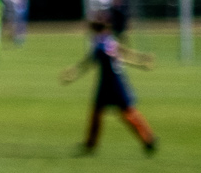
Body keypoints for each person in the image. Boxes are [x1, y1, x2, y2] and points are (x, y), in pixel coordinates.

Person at [60, 18, 157, 155]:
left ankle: (148, 139)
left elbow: (89, 62)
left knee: (123, 112)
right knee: (110, 112)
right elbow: (123, 52)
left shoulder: (100, 45)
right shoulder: (109, 40)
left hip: (111, 83)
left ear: (95, 29)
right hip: (115, 81)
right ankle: (147, 139)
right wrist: (142, 59)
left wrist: (73, 73)